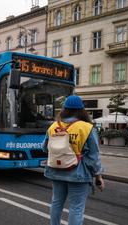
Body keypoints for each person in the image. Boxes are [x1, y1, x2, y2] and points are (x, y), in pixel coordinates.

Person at [43, 95, 104, 225]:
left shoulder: (53, 126)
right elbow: (94, 156)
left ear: (64, 109)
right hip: (78, 173)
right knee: (76, 208)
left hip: (56, 171)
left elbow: (45, 148)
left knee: (56, 203)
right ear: (82, 110)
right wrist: (98, 176)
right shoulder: (87, 128)